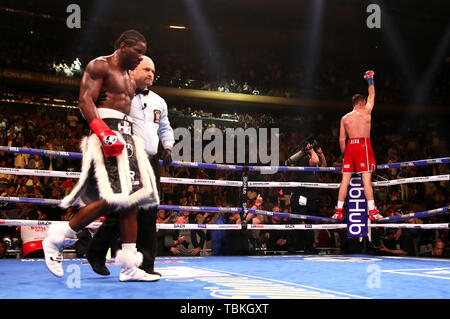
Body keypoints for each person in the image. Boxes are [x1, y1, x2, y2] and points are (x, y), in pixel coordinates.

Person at [42, 30, 161, 282]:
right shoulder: (100, 65)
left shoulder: (129, 80)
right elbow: (85, 100)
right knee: (117, 199)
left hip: (126, 136)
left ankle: (129, 267)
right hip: (108, 131)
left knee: (130, 201)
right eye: (138, 52)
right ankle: (57, 238)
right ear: (121, 46)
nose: (140, 58)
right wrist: (103, 132)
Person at [84, 55, 175, 278]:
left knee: (149, 213)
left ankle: (146, 265)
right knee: (121, 210)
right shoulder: (119, 93)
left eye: (153, 71)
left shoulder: (159, 101)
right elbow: (91, 109)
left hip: (151, 161)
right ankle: (96, 252)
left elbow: (165, 128)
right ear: (132, 71)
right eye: (146, 69)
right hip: (125, 156)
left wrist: (168, 147)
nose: (151, 74)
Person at [331, 70, 383, 221]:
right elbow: (372, 95)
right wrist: (370, 80)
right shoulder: (366, 111)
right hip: (363, 146)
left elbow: (341, 140)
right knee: (366, 180)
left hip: (349, 149)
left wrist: (343, 155)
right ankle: (372, 212)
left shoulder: (344, 118)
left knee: (344, 181)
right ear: (361, 102)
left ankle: (338, 210)